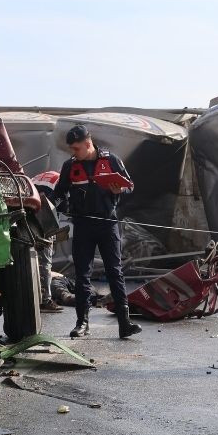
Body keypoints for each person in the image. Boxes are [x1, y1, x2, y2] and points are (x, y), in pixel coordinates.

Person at [52, 124, 141, 339]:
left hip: (108, 225)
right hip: (83, 226)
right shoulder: (69, 166)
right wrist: (67, 208)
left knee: (115, 272)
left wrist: (120, 189)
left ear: (88, 144)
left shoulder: (111, 161)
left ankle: (124, 322)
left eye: (76, 148)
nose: (73, 153)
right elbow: (58, 195)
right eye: (71, 149)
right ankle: (82, 323)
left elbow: (130, 186)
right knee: (82, 275)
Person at [30, 170, 64, 314]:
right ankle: (45, 300)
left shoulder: (42, 175)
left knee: (29, 260)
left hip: (26, 218)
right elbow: (60, 206)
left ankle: (30, 297)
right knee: (44, 262)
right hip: (43, 220)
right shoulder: (62, 183)